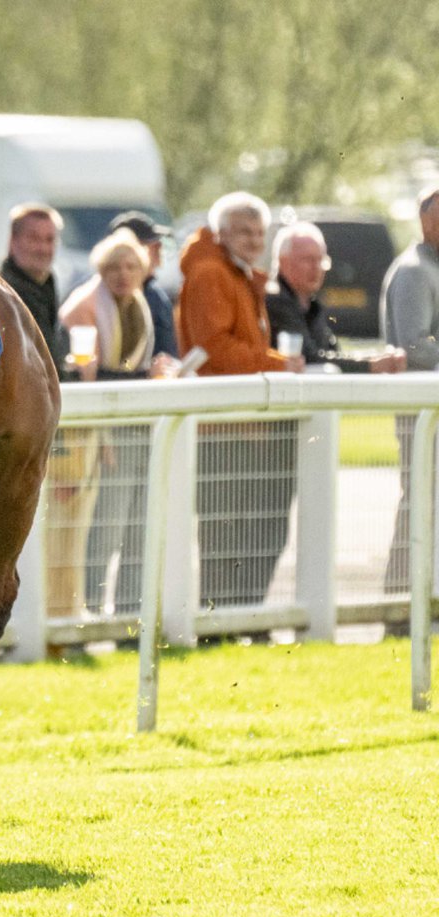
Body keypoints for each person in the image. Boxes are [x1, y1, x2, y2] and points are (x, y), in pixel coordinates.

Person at [177, 192, 302, 625]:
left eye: (258, 231)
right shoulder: (212, 273)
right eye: (243, 231)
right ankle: (223, 623)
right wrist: (281, 365)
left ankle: (241, 617)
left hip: (240, 423)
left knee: (250, 531)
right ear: (221, 233)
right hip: (221, 427)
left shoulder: (236, 273)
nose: (253, 239)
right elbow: (216, 348)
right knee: (226, 534)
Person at [58, 230, 180, 618]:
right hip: (97, 435)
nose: (122, 274)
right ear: (101, 269)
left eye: (130, 266)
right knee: (104, 529)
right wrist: (146, 377)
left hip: (135, 425)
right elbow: (86, 373)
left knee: (138, 529)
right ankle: (90, 610)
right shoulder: (84, 307)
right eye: (113, 267)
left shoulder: (137, 305)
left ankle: (130, 614)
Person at [380, 186, 439, 601]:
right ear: (425, 220)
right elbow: (414, 347)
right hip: (421, 410)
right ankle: (401, 605)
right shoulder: (416, 270)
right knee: (419, 501)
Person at [267, 222, 405, 374]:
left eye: (321, 260)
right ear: (283, 262)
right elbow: (308, 358)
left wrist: (375, 356)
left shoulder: (310, 303)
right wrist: (370, 365)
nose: (316, 267)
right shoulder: (276, 300)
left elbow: (331, 353)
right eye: (308, 260)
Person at [0, 203, 68, 363]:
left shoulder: (46, 284)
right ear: (13, 241)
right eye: (34, 238)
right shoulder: (5, 293)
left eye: (49, 239)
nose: (43, 248)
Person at [107, 211, 178, 358]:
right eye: (154, 246)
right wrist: (145, 373)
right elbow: (123, 361)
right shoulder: (110, 297)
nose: (159, 251)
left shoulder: (154, 294)